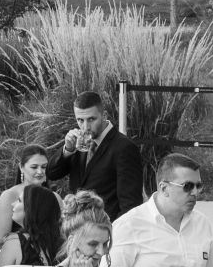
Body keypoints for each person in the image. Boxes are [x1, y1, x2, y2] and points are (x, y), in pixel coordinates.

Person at [42, 85, 146, 221]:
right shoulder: (77, 142)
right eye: (80, 120)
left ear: (104, 115)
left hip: (105, 230)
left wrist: (111, 234)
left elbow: (130, 205)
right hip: (77, 226)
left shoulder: (124, 148)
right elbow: (51, 173)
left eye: (91, 119)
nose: (85, 127)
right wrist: (68, 150)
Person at [0, 146, 62, 265]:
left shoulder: (55, 197)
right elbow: (1, 240)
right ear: (21, 167)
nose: (40, 171)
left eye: (44, 167)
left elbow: (61, 232)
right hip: (19, 259)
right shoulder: (9, 196)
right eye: (34, 167)